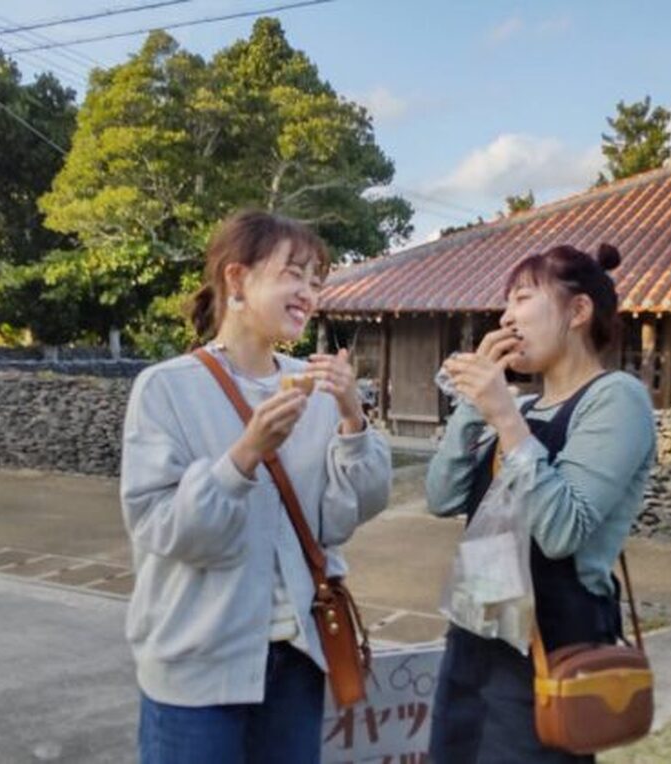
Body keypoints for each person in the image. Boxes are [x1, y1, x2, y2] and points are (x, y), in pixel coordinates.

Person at [120, 210, 392, 763]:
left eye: (316, 280)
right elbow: (161, 528)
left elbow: (337, 523)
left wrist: (352, 421)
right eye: (293, 274)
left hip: (297, 660)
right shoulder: (166, 389)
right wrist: (244, 456)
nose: (308, 293)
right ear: (237, 279)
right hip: (198, 667)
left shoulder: (314, 390)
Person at [426, 242, 656, 763]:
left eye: (523, 298)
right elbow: (440, 497)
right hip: (474, 638)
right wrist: (474, 408)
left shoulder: (616, 398)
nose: (506, 317)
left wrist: (505, 418)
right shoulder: (523, 405)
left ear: (578, 311)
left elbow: (561, 532)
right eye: (506, 302)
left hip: (552, 652)